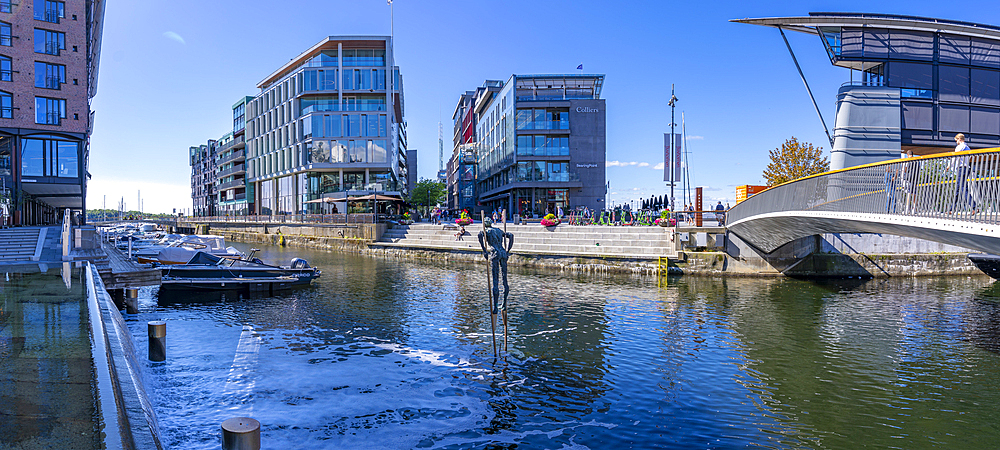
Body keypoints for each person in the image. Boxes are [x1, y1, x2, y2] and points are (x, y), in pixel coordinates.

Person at [478, 217, 515, 353]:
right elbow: (510, 235)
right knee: (505, 281)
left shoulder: (486, 230)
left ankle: (495, 307)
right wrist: (508, 249)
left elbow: (479, 236)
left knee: (495, 281)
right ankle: (504, 303)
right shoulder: (499, 230)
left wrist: (484, 250)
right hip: (503, 252)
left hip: (494, 252)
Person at [951, 133, 976, 213]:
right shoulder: (967, 147)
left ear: (959, 139)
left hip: (961, 168)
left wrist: (949, 166)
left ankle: (974, 206)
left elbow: (955, 156)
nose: (956, 142)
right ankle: (952, 209)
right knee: (958, 189)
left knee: (962, 188)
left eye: (956, 140)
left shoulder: (960, 147)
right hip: (966, 167)